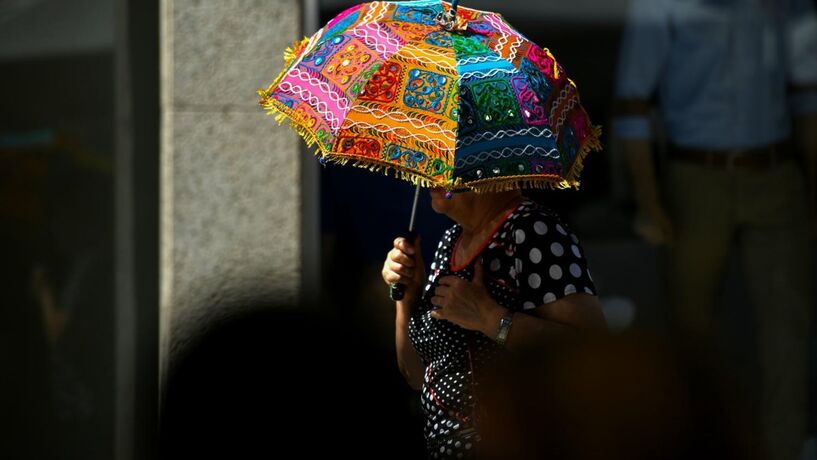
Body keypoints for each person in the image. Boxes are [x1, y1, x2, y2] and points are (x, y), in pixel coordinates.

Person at [613, 1, 817, 459]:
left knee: (788, 327)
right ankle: (701, 443)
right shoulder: (660, 7)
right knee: (691, 328)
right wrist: (649, 201)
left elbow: (807, 94)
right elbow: (632, 103)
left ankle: (781, 447)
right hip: (696, 175)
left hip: (774, 169)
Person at [381, 188, 607, 459]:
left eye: (446, 169)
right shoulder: (451, 240)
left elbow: (592, 353)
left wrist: (490, 319)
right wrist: (407, 296)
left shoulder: (535, 229)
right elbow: (416, 375)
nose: (432, 176)